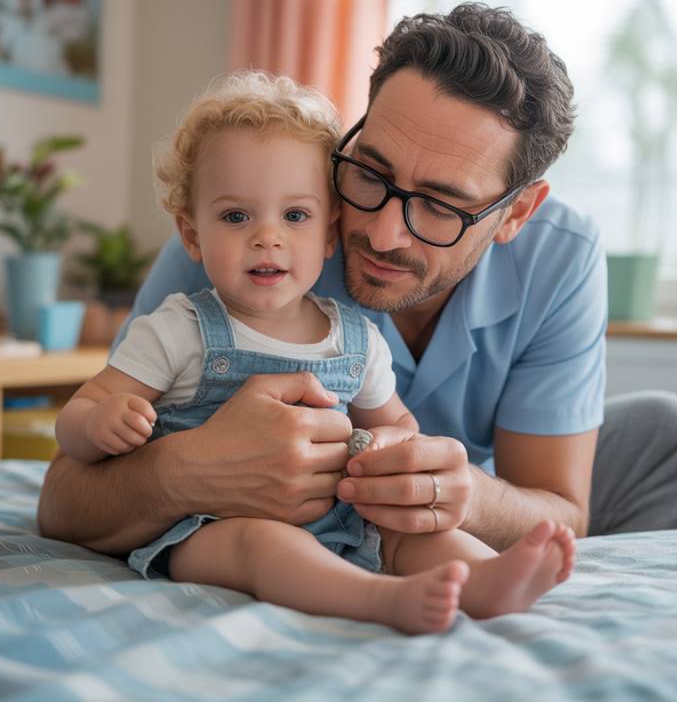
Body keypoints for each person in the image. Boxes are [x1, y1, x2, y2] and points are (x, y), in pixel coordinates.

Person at [38, 3, 677, 568]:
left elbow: (562, 505)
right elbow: (65, 500)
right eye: (370, 173)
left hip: (455, 488)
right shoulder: (253, 233)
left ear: (516, 213)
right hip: (268, 519)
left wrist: (464, 494)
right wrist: (189, 472)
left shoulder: (561, 255)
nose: (380, 233)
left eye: (440, 204)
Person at [54, 71, 576, 634]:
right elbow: (79, 430)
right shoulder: (180, 325)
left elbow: (398, 423)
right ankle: (376, 600)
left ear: (325, 230)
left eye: (295, 217)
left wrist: (395, 451)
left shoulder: (352, 337)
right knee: (262, 543)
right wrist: (103, 424)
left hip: (338, 512)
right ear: (192, 234)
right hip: (211, 525)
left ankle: (485, 581)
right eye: (236, 217)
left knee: (414, 535)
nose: (267, 237)